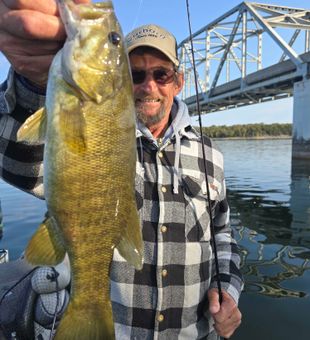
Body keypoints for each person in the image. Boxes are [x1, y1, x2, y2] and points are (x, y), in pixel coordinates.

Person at [0, 0, 243, 339]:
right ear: (123, 81)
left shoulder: (210, 154)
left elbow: (223, 234)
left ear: (178, 82)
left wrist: (228, 288)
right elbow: (18, 165)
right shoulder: (102, 129)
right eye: (136, 74)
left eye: (161, 74)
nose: (149, 86)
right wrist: (32, 87)